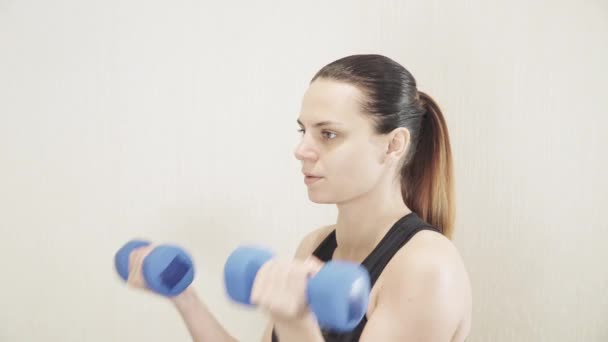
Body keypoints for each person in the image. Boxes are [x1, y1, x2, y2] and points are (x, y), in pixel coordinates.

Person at [127, 54, 472, 342]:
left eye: (328, 133)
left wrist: (295, 323)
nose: (301, 150)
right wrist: (183, 297)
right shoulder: (316, 245)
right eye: (302, 131)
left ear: (393, 144)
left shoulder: (427, 268)